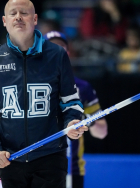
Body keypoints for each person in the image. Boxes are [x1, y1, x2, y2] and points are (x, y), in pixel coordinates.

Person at [0, 0, 88, 188]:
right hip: (11, 159)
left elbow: (71, 102)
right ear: (5, 21)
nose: (18, 17)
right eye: (13, 13)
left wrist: (72, 122)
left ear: (35, 19)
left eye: (24, 13)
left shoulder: (57, 55)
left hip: (50, 158)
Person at [44, 31, 108, 188]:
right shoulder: (29, 85)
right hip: (38, 168)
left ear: (68, 52)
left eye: (61, 47)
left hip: (71, 170)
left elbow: (102, 132)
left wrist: (88, 120)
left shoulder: (82, 87)